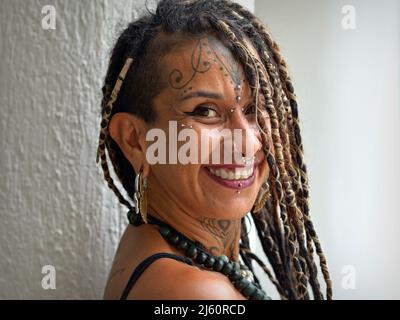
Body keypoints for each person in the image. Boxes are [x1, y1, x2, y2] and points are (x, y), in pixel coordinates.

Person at [98, 0, 332, 300]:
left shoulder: (151, 240)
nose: (247, 143)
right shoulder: (200, 293)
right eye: (205, 111)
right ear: (134, 139)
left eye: (255, 108)